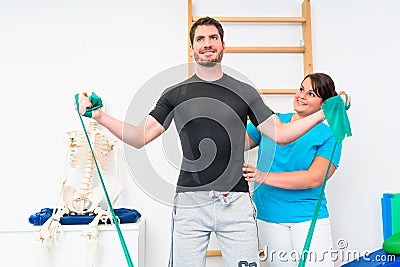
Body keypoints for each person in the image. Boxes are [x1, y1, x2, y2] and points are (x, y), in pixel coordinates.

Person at [77, 17, 348, 267]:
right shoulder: (174, 94)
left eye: (213, 38)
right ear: (192, 48)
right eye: (200, 39)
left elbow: (281, 133)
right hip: (190, 204)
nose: (207, 44)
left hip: (238, 203)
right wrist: (99, 116)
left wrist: (326, 111)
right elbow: (139, 137)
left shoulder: (245, 92)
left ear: (223, 45)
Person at [242, 73, 343, 267]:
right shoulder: (273, 123)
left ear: (325, 104)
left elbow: (314, 178)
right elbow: (237, 144)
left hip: (307, 216)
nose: (302, 95)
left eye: (311, 93)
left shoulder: (329, 136)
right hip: (269, 216)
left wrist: (263, 176)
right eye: (302, 89)